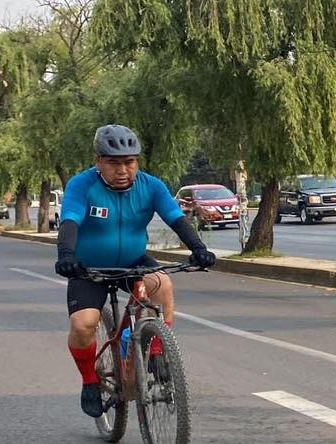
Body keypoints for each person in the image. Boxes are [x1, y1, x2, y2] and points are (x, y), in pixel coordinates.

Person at [54, 125, 217, 417]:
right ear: (99, 162)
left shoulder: (151, 186)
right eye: (114, 163)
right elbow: (70, 221)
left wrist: (199, 248)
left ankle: (157, 354)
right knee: (83, 325)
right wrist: (66, 255)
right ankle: (90, 381)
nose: (123, 170)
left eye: (129, 162)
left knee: (161, 284)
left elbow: (176, 219)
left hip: (132, 260)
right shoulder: (82, 185)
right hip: (88, 266)